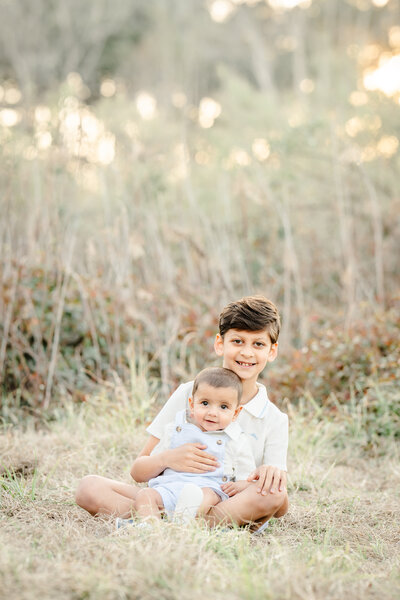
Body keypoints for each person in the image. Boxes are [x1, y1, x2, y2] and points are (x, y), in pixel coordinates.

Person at [76, 295, 289, 530]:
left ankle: (181, 525)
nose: (247, 352)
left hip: (222, 503)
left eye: (258, 344)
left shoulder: (274, 419)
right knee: (89, 487)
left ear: (272, 351)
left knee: (272, 495)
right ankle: (168, 522)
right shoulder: (188, 393)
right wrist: (168, 458)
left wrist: (269, 475)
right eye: (237, 341)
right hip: (167, 494)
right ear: (220, 344)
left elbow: (279, 507)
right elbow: (139, 470)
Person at [122, 367, 256, 525]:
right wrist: (165, 460)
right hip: (169, 488)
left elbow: (247, 477)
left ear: (235, 413)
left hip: (208, 489)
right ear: (192, 405)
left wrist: (240, 484)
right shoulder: (174, 429)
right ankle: (151, 527)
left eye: (223, 407)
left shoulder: (236, 440)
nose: (213, 412)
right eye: (205, 403)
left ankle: (183, 521)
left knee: (208, 495)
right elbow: (148, 465)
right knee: (145, 495)